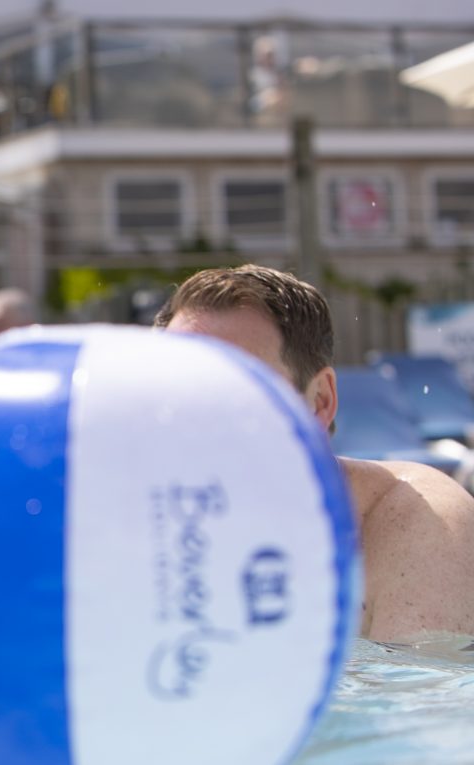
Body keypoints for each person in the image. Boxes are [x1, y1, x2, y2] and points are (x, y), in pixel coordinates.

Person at [156, 265, 474, 643]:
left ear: (320, 401)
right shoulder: (138, 525)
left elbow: (422, 697)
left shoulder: (410, 518)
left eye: (238, 387)